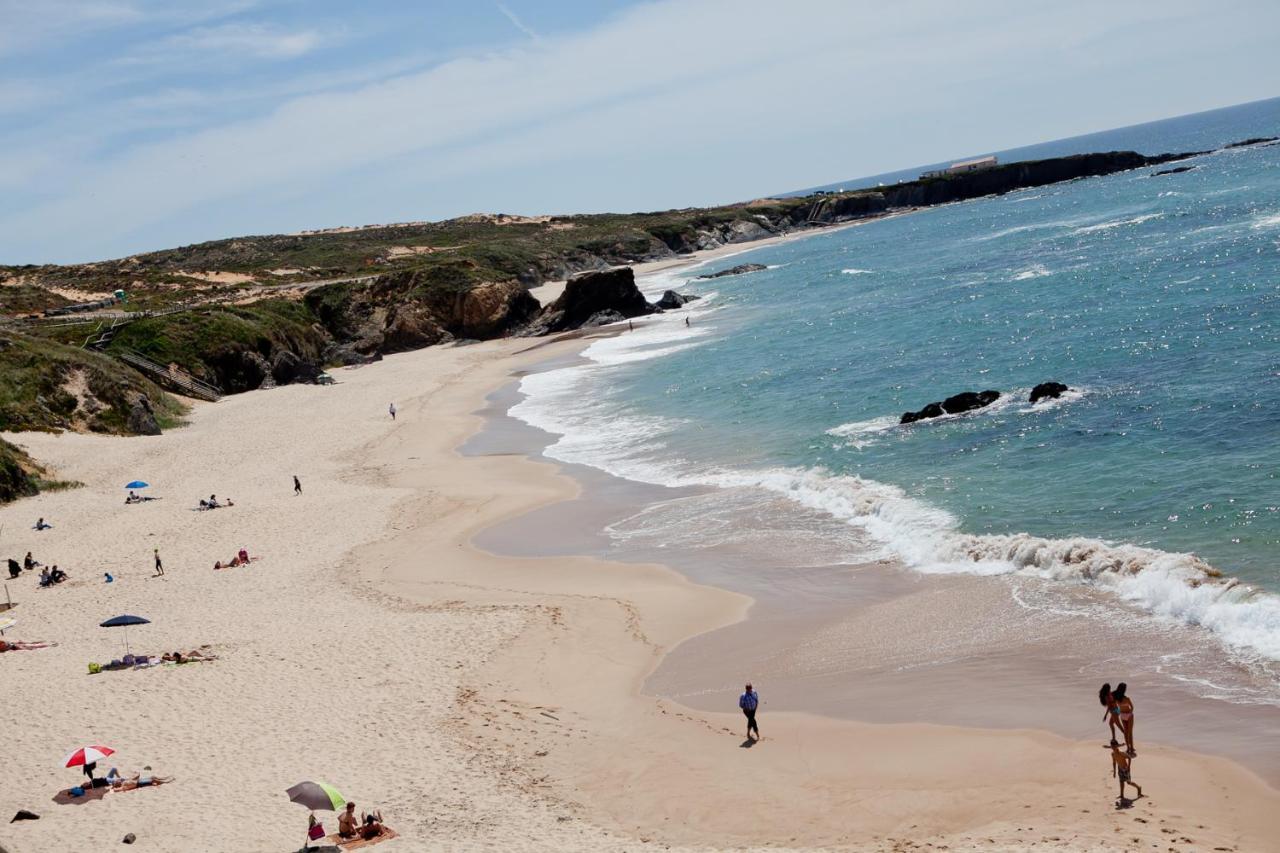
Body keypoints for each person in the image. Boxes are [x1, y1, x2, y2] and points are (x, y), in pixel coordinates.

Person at [1114, 683, 1136, 756]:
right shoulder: (1127, 699)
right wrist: (1130, 712)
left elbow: (1117, 708)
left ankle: (1128, 748)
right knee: (1130, 732)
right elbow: (1132, 707)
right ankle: (1132, 748)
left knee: (1126, 733)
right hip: (1129, 715)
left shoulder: (1116, 699)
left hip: (1122, 715)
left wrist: (1118, 713)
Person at [1099, 683, 1121, 748]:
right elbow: (1115, 701)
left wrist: (1105, 715)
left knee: (1119, 726)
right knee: (1111, 724)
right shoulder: (1110, 694)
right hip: (1117, 710)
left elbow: (1109, 707)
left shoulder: (1107, 696)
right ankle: (1114, 739)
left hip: (1114, 711)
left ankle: (1126, 737)